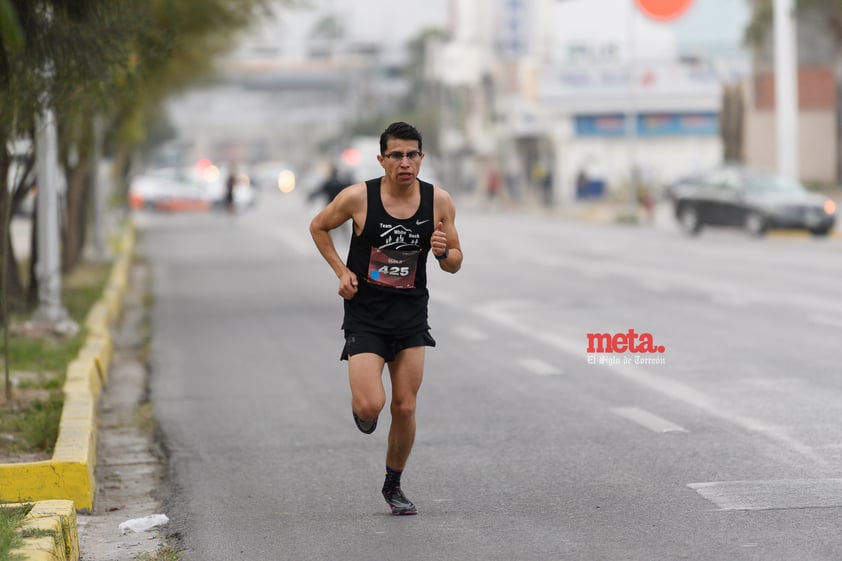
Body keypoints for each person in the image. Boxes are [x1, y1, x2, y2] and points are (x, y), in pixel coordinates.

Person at [309, 122, 463, 516]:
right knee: (370, 405)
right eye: (396, 155)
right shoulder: (358, 198)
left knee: (406, 407)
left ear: (421, 158)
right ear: (382, 160)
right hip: (366, 316)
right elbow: (319, 226)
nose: (405, 162)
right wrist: (341, 271)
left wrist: (444, 252)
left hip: (410, 316)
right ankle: (363, 411)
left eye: (412, 154)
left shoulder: (438, 202)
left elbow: (455, 264)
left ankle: (393, 483)